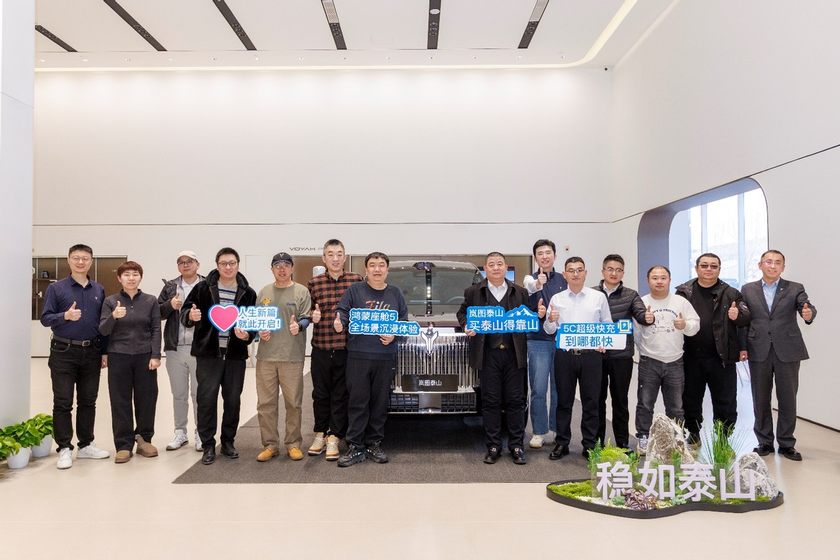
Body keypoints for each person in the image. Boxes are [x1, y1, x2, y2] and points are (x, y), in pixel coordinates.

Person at [182, 247, 257, 465]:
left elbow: (251, 325)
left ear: (238, 265)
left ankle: (228, 442)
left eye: (232, 263)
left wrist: (247, 335)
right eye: (224, 263)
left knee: (232, 400)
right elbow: (186, 312)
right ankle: (207, 444)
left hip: (235, 356)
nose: (228, 267)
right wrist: (190, 316)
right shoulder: (203, 288)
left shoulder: (248, 292)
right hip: (208, 355)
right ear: (217, 265)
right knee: (206, 400)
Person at [39, 244, 111, 469]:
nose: (81, 262)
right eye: (76, 258)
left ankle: (86, 444)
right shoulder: (56, 288)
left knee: (88, 401)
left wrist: (104, 351)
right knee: (63, 401)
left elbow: (103, 324)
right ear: (69, 260)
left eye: (85, 258)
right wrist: (65, 316)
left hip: (92, 351)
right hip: (63, 351)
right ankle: (64, 448)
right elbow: (45, 318)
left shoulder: (98, 289)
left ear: (91, 261)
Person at [458, 252, 532, 465]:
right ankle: (493, 445)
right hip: (487, 354)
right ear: (485, 268)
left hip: (514, 354)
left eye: (500, 264)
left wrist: (541, 313)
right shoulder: (473, 292)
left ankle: (516, 445)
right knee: (490, 401)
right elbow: (462, 313)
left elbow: (529, 317)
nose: (496, 267)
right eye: (492, 264)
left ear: (506, 267)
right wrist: (466, 325)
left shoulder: (520, 292)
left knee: (516, 401)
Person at [334, 252, 407, 467]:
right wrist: (339, 321)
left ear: (387, 270)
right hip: (358, 356)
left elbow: (404, 321)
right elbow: (342, 311)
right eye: (373, 265)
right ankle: (355, 446)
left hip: (385, 357)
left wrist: (394, 335)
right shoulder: (355, 290)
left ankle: (374, 443)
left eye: (381, 265)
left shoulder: (395, 293)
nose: (377, 269)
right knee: (358, 402)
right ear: (366, 269)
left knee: (379, 403)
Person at [741, 250, 816, 461]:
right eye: (768, 262)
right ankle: (764, 442)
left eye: (777, 262)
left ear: (783, 267)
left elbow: (806, 306)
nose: (772, 266)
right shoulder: (748, 289)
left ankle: (786, 444)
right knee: (760, 398)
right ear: (760, 265)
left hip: (788, 349)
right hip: (758, 348)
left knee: (787, 398)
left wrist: (808, 313)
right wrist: (742, 347)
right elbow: (743, 320)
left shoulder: (795, 288)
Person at [675, 253, 751, 445]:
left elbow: (746, 318)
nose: (709, 269)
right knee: (690, 398)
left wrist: (737, 315)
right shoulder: (683, 292)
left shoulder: (731, 293)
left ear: (719, 269)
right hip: (690, 356)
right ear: (696, 268)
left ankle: (723, 439)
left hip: (721, 357)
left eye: (713, 266)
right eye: (704, 265)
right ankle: (693, 433)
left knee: (725, 401)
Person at [543, 257, 613, 459]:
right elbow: (549, 330)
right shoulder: (557, 298)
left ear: (585, 273)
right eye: (571, 270)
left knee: (591, 402)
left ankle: (589, 444)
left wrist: (604, 341)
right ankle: (562, 443)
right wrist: (551, 320)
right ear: (564, 274)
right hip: (565, 356)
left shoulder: (598, 297)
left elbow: (607, 324)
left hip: (591, 356)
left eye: (579, 270)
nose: (575, 274)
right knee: (564, 401)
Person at [99, 261, 162, 463]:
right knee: (120, 400)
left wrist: (155, 355)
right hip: (118, 355)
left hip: (145, 356)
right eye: (126, 275)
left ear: (140, 277)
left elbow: (156, 329)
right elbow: (103, 330)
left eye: (135, 274)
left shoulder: (150, 300)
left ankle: (144, 439)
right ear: (119, 278)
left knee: (147, 399)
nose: (131, 278)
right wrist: (114, 317)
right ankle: (123, 444)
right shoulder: (111, 301)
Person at [633, 265, 700, 455]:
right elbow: (636, 332)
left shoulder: (680, 302)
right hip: (649, 361)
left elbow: (695, 325)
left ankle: (676, 439)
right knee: (645, 404)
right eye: (655, 278)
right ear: (648, 280)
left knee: (676, 407)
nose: (659, 281)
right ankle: (643, 437)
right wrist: (643, 351)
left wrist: (684, 324)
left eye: (663, 277)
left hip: (675, 361)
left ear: (669, 280)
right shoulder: (641, 302)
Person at [307, 239, 362, 461]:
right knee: (320, 394)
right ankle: (320, 432)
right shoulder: (314, 283)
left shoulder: (356, 280)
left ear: (345, 257)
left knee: (341, 394)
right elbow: (306, 312)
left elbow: (362, 312)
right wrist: (312, 316)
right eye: (330, 254)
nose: (335, 258)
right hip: (321, 346)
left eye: (339, 254)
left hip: (346, 348)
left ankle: (335, 436)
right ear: (324, 258)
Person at [254, 253, 312, 462]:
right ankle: (270, 445)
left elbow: (306, 318)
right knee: (265, 404)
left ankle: (293, 444)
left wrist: (300, 326)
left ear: (292, 268)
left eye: (286, 265)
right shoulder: (264, 292)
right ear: (272, 269)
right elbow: (257, 321)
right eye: (277, 265)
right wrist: (260, 331)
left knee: (293, 403)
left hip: (292, 357)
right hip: (266, 357)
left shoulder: (301, 291)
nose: (282, 269)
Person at [593, 254, 652, 450]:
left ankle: (622, 444)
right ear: (603, 271)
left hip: (621, 356)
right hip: (596, 355)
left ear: (623, 273)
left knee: (620, 401)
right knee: (597, 400)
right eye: (610, 269)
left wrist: (647, 317)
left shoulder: (631, 295)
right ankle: (597, 443)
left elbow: (641, 314)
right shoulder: (592, 293)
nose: (614, 273)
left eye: (618, 270)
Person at [522, 239, 568, 449]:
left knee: (560, 388)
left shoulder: (564, 279)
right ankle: (539, 431)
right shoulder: (529, 279)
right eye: (540, 253)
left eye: (548, 252)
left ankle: (558, 429)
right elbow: (530, 291)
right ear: (535, 257)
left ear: (555, 256)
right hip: (537, 340)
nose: (544, 256)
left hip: (561, 340)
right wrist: (538, 285)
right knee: (538, 389)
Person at [158, 250, 204, 452]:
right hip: (175, 348)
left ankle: (201, 432)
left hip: (200, 349)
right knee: (179, 394)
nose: (185, 265)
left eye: (189, 261)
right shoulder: (170, 287)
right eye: (181, 262)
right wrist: (170, 305)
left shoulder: (207, 285)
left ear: (197, 264)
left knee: (199, 394)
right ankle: (180, 432)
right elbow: (157, 313)